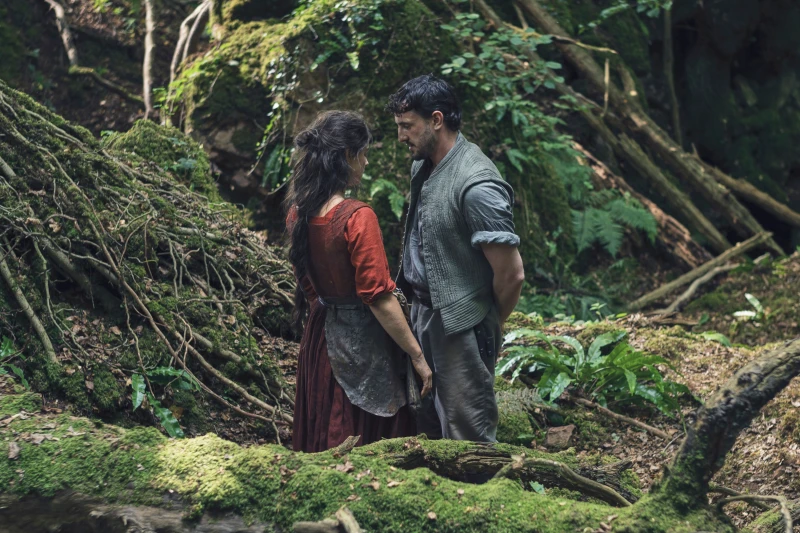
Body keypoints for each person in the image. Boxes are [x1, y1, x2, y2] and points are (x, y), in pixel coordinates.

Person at [386, 75, 525, 442]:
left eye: (407, 126)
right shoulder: (423, 165)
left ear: (436, 120)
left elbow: (512, 275)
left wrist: (484, 323)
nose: (400, 136)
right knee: (427, 428)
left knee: (467, 435)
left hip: (461, 327)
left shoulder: (477, 185)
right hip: (421, 315)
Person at [286, 110, 433, 453]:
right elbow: (377, 297)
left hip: (321, 336)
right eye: (363, 154)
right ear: (347, 156)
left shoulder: (299, 211)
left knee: (326, 417)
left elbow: (307, 281)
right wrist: (416, 355)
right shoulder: (357, 217)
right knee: (358, 432)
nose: (366, 162)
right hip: (362, 341)